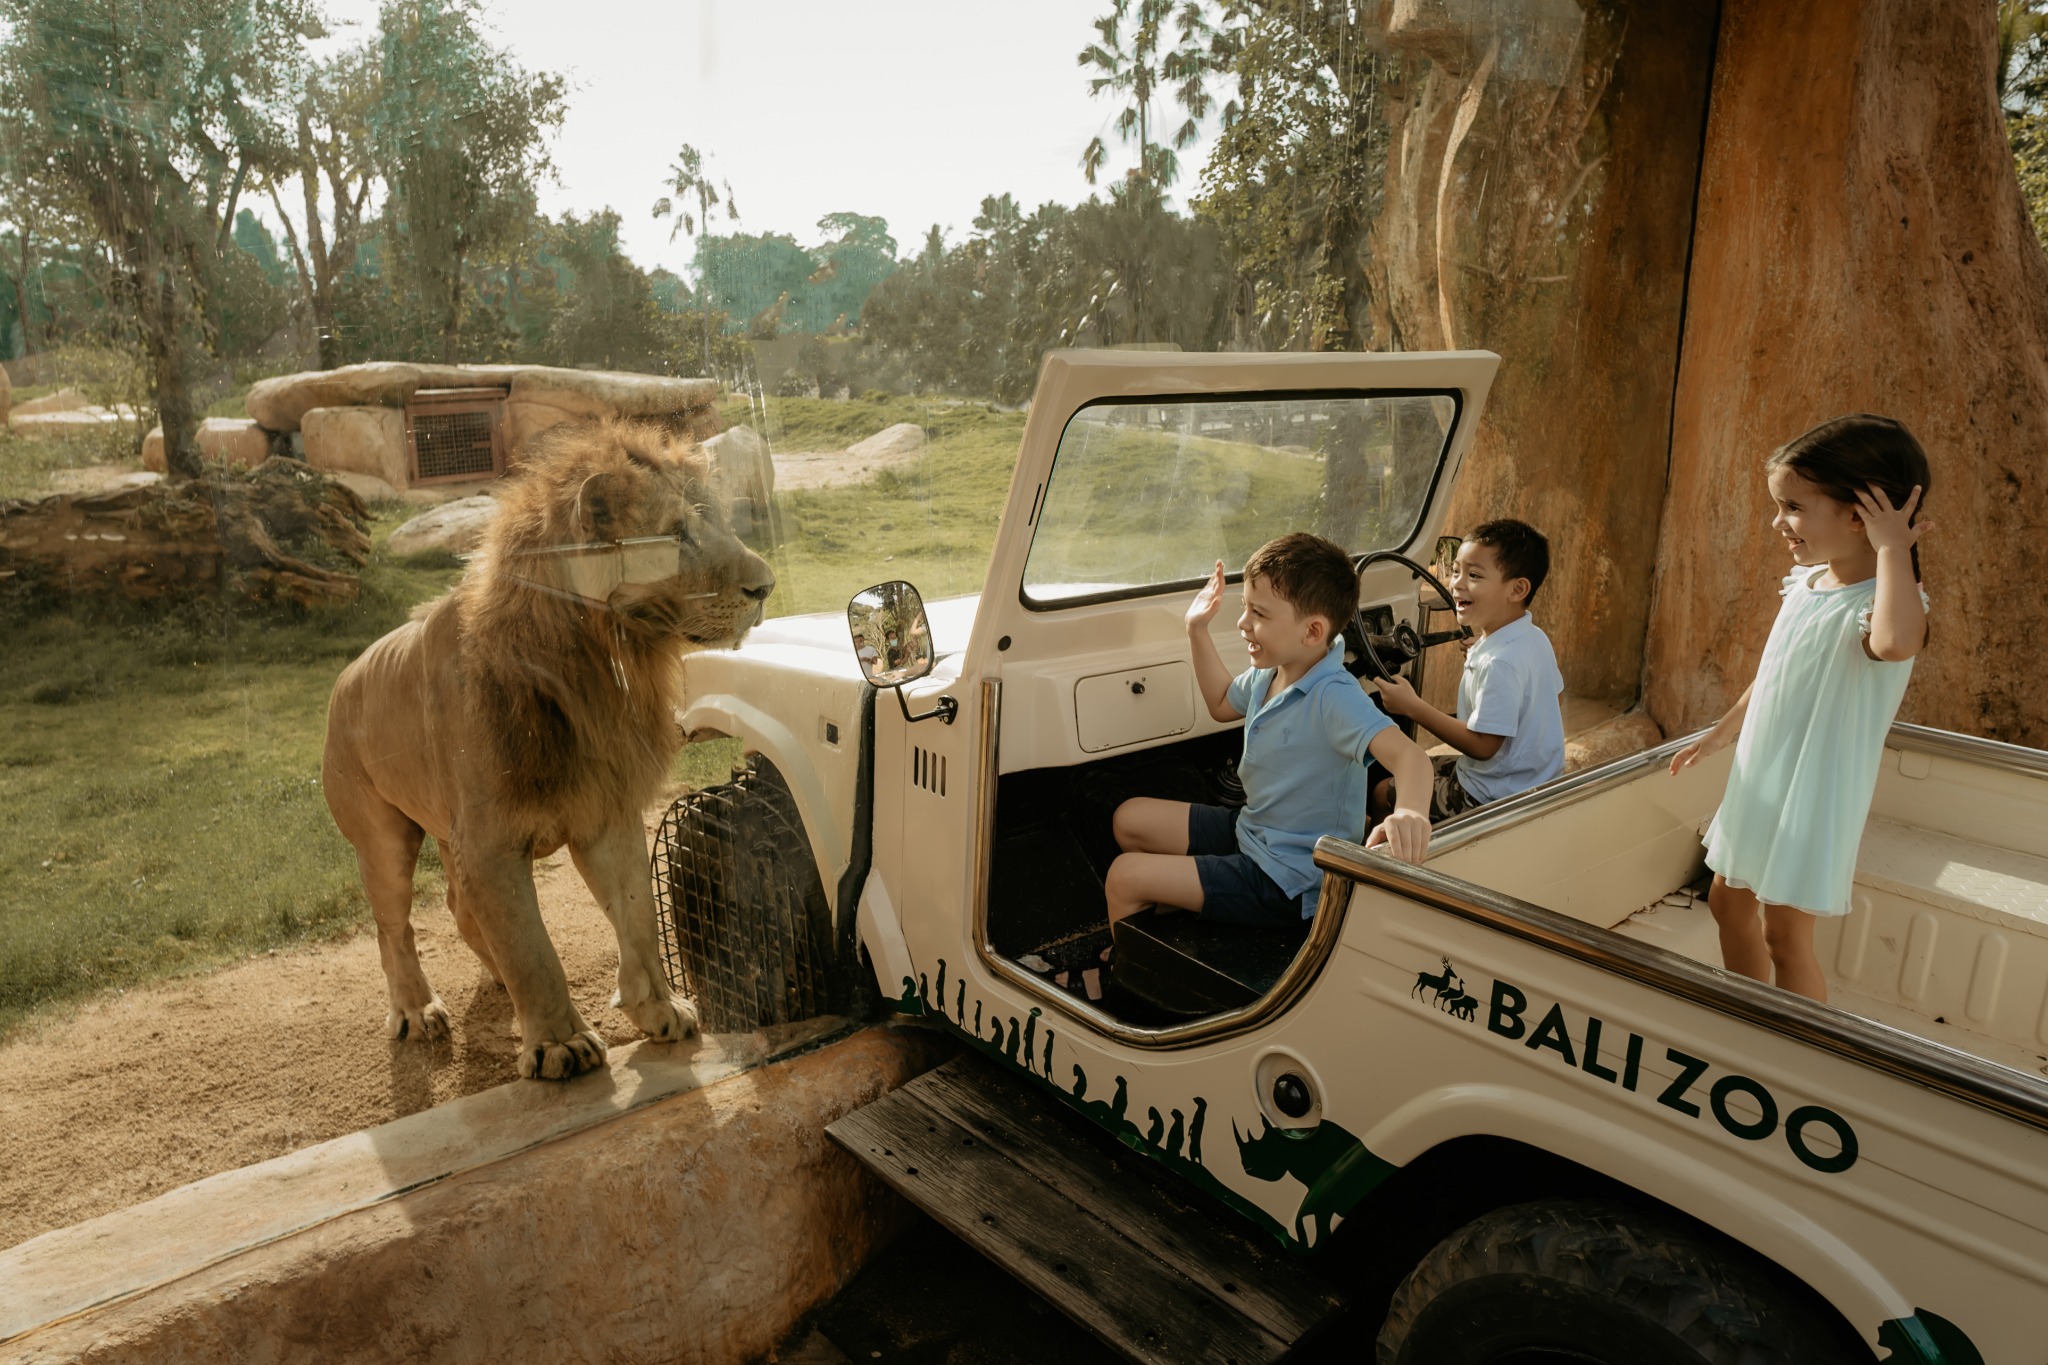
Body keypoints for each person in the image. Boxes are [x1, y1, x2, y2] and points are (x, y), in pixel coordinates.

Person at [1669, 413, 1932, 1003]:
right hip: (1761, 778)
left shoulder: (1888, 605)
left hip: (1814, 792)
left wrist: (1894, 550)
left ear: (1859, 515)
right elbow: (1772, 676)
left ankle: (1795, 1053)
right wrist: (1719, 735)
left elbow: (1895, 644)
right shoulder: (1806, 585)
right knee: (1725, 901)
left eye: (1792, 507)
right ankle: (1751, 1014)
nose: (1778, 522)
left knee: (1785, 934)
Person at [1103, 532, 1435, 946]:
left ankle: (1129, 981)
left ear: (1312, 631)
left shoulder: (1335, 696)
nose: (1243, 623)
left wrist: (1410, 814)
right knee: (1129, 818)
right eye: (1245, 608)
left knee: (1123, 878)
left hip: (1289, 879)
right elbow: (1223, 702)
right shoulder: (1272, 669)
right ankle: (1179, 907)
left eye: (1257, 613)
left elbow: (1411, 758)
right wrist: (1196, 630)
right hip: (1255, 831)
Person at [1374, 519, 1566, 820]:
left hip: (1491, 795)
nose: (1456, 583)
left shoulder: (1499, 662)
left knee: (1382, 791)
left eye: (1474, 575)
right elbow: (1552, 698)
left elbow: (1483, 746)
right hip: (1532, 780)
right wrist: (1485, 645)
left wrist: (1412, 707)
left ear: (1517, 589)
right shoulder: (1530, 638)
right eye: (1455, 571)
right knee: (1416, 767)